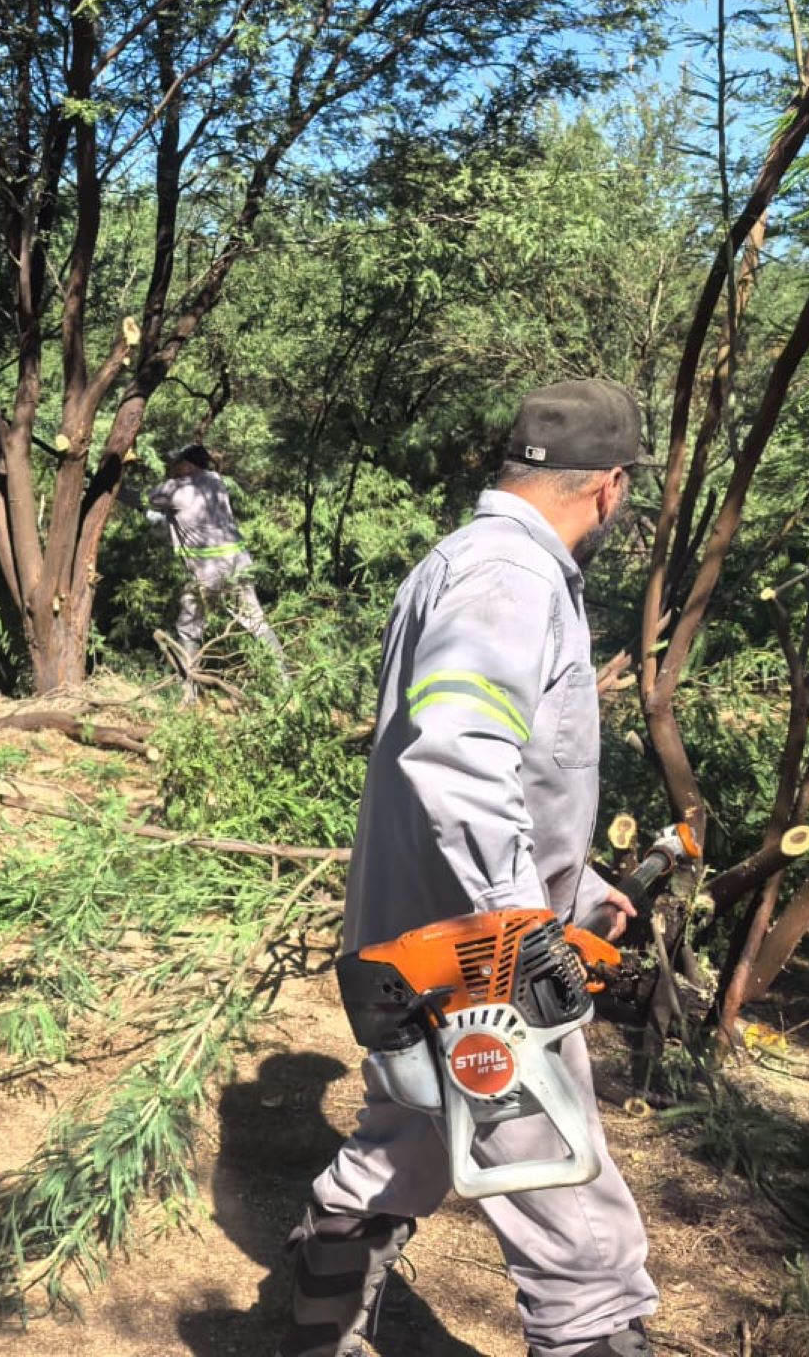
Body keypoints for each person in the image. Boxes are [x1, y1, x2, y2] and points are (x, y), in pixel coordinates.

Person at [282, 380, 657, 1357]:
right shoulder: (512, 578)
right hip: (479, 963)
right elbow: (456, 751)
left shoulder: (461, 561)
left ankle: (318, 1327)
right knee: (575, 1222)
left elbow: (505, 768)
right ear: (610, 488)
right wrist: (524, 927)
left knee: (408, 1136)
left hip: (424, 943)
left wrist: (575, 894)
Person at [143, 444, 288, 691]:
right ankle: (286, 684)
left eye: (177, 463)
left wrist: (157, 501)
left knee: (189, 628)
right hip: (238, 564)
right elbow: (179, 519)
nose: (173, 467)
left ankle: (187, 692)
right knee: (256, 622)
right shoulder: (216, 482)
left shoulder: (178, 490)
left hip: (206, 571)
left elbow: (151, 497)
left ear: (188, 465)